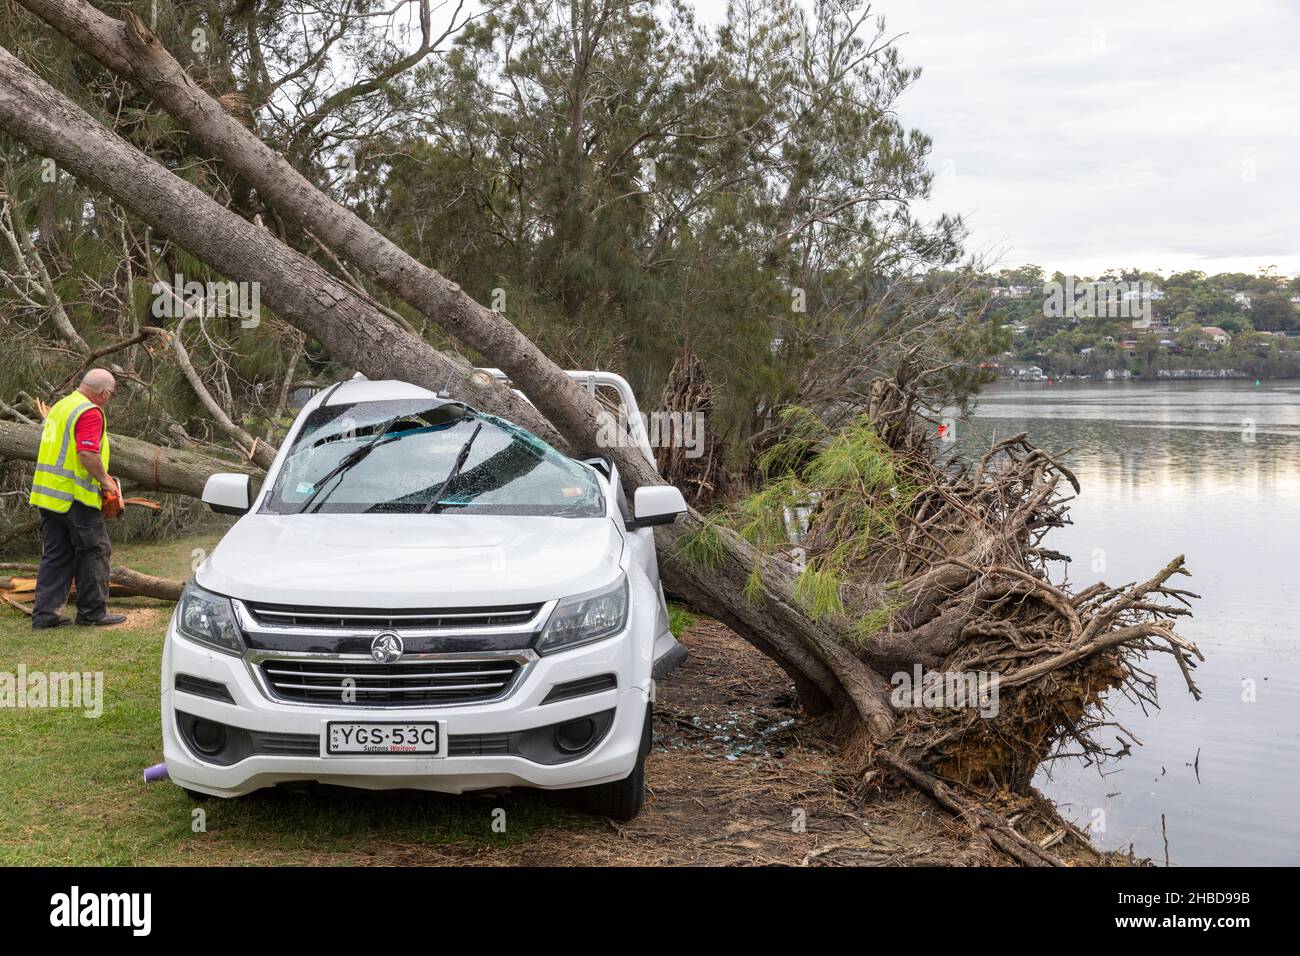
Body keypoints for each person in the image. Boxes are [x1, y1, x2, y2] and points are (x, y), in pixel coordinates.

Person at [28, 368, 126, 629]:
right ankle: (92, 613)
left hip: (49, 496)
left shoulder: (62, 406)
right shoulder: (89, 412)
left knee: (56, 555)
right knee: (94, 551)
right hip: (75, 497)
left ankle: (45, 617)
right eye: (111, 394)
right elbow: (87, 454)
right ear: (103, 393)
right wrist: (107, 483)